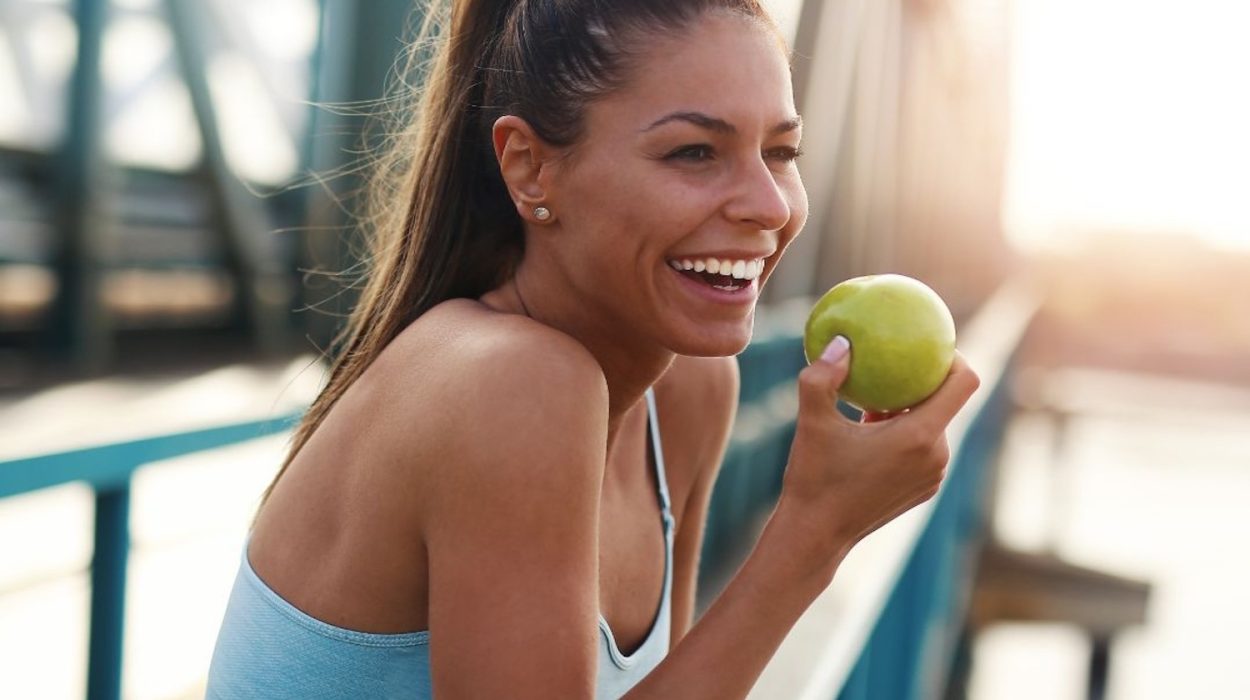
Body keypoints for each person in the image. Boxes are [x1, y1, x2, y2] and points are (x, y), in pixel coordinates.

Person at [205, 0, 980, 697]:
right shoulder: (511, 384)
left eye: (781, 153)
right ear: (530, 168)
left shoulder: (691, 390)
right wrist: (816, 531)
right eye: (694, 152)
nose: (769, 206)